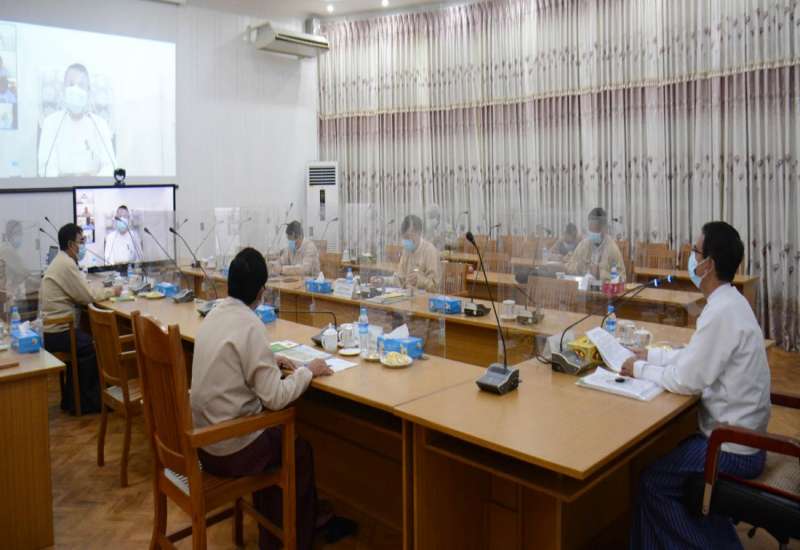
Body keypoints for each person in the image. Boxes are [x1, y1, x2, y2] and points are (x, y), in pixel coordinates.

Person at [191, 248, 354, 550]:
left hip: (203, 442)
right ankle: (297, 537)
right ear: (261, 291)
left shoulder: (214, 314)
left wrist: (269, 360)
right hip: (229, 447)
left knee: (273, 441)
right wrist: (307, 371)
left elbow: (239, 362)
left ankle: (273, 530)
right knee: (297, 449)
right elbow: (276, 399)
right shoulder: (250, 324)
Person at [621, 221, 771, 549]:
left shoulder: (721, 313)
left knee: (652, 484)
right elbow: (696, 357)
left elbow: (686, 379)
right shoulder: (730, 303)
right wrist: (652, 355)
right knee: (670, 466)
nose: (691, 257)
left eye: (695, 251)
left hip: (732, 449)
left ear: (708, 264)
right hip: (744, 439)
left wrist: (639, 368)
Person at [40, 223, 120, 414]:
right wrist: (112, 291)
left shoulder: (63, 261)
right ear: (70, 244)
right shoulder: (66, 264)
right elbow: (87, 296)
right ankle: (86, 402)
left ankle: (73, 398)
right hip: (59, 332)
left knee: (87, 341)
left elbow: (82, 290)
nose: (83, 245)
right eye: (81, 241)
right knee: (94, 345)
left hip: (53, 329)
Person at [37, 63, 116, 177]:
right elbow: (46, 169)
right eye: (71, 84)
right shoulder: (50, 123)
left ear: (88, 91)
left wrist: (93, 179)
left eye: (81, 85)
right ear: (63, 90)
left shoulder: (100, 124)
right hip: (61, 187)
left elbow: (111, 167)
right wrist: (68, 180)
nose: (75, 89)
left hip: (93, 186)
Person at [372, 214, 441, 292]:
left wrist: (420, 280)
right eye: (404, 238)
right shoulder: (407, 251)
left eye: (408, 237)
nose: (405, 241)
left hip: (425, 298)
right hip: (407, 296)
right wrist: (383, 280)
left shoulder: (430, 251)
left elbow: (435, 287)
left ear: (418, 233)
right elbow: (400, 279)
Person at [566, 207, 626, 281]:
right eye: (590, 230)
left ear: (604, 228)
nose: (591, 233)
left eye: (594, 230)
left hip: (603, 287)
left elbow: (622, 278)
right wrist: (580, 267)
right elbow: (569, 266)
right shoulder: (583, 245)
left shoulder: (612, 249)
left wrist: (600, 273)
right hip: (583, 286)